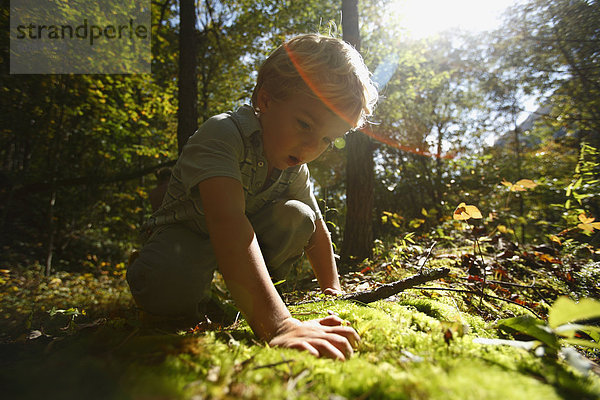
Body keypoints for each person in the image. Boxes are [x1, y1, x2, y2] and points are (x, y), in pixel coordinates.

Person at [126, 33, 378, 360]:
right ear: (266, 100)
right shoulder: (222, 134)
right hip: (186, 235)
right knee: (168, 292)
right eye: (304, 124)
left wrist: (334, 296)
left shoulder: (294, 168)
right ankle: (147, 266)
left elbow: (317, 230)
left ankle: (248, 295)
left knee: (298, 216)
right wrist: (278, 325)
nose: (312, 148)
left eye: (328, 140)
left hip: (241, 243)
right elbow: (229, 223)